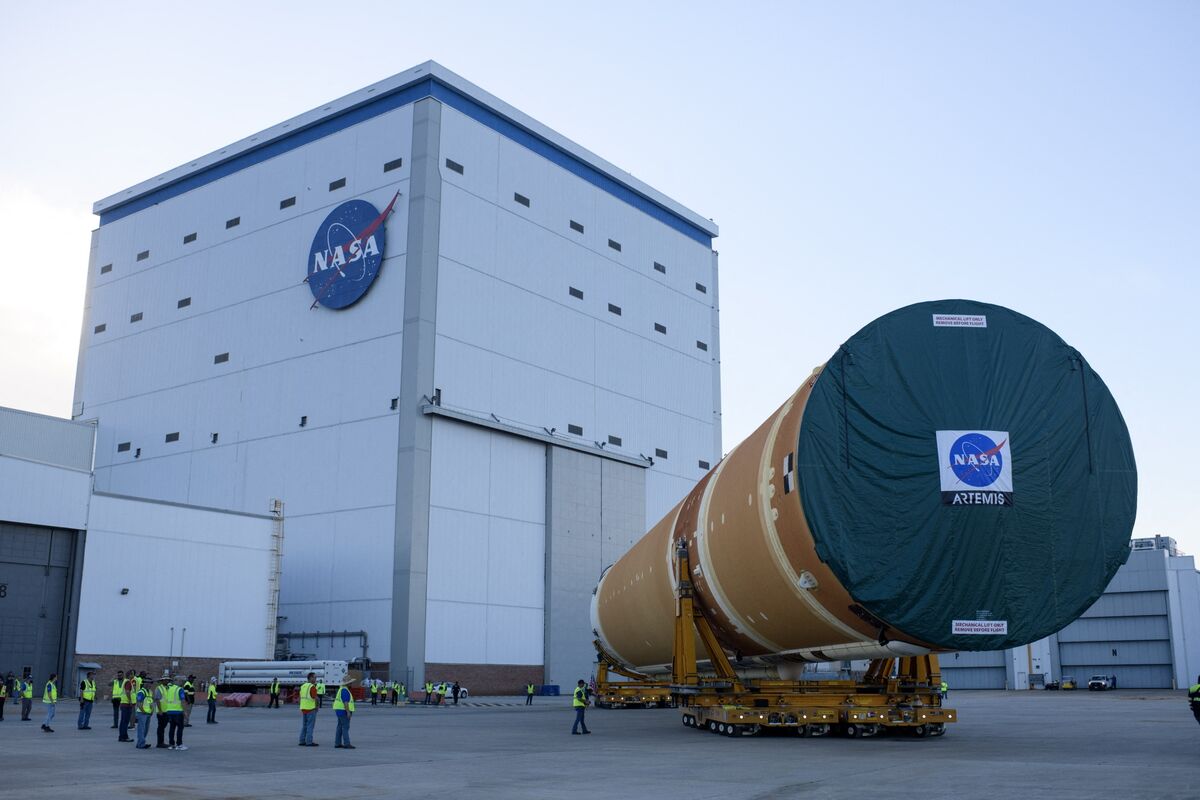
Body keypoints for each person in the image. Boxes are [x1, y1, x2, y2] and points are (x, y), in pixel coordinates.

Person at [165, 675, 187, 750]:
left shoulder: (170, 689)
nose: (182, 682)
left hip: (170, 711)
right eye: (181, 681)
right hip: (178, 712)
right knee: (180, 728)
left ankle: (171, 744)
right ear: (177, 681)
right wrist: (185, 712)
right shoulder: (180, 689)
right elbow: (183, 701)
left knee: (172, 728)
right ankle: (179, 744)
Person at [333, 679, 356, 749]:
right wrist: (348, 712)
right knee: (345, 727)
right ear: (347, 684)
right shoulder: (345, 691)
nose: (351, 684)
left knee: (340, 727)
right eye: (350, 683)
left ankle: (337, 743)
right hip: (343, 711)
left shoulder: (341, 689)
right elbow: (345, 702)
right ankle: (347, 743)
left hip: (339, 710)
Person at [298, 672, 319, 746]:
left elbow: (300, 697)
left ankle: (302, 740)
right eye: (315, 677)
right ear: (310, 678)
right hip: (310, 708)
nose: (316, 679)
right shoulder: (312, 687)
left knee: (304, 725)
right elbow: (315, 698)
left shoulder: (303, 686)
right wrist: (317, 707)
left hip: (303, 708)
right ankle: (309, 741)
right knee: (310, 725)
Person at [134, 680, 155, 749]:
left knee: (146, 729)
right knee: (141, 729)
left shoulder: (150, 692)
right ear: (145, 683)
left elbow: (151, 702)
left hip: (148, 713)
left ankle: (141, 743)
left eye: (151, 683)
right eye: (148, 683)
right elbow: (139, 703)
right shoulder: (141, 692)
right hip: (142, 713)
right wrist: (143, 711)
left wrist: (152, 710)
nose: (150, 685)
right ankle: (141, 744)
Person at [118, 671, 136, 742]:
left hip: (124, 703)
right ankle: (124, 737)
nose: (133, 676)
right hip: (127, 704)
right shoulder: (128, 682)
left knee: (123, 721)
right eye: (132, 674)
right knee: (125, 721)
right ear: (130, 675)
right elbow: (128, 692)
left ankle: (122, 736)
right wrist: (130, 701)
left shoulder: (125, 681)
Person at [154, 676, 170, 748]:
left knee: (163, 727)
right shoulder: (159, 688)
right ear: (162, 681)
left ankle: (161, 742)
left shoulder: (168, 688)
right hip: (161, 711)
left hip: (167, 711)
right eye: (165, 680)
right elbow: (157, 700)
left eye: (168, 680)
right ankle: (160, 743)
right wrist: (160, 710)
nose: (167, 681)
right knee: (161, 727)